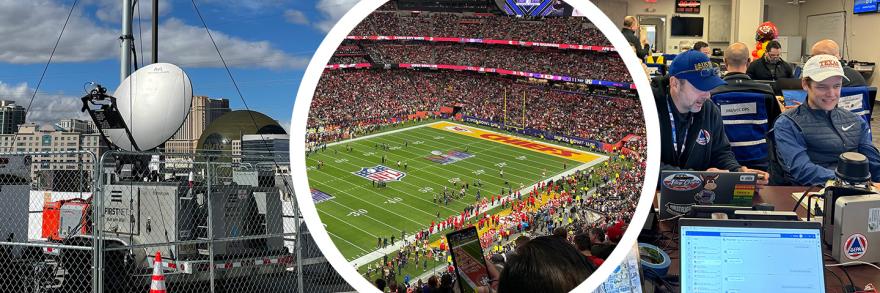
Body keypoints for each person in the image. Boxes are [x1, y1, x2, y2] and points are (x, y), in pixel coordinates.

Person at [654, 50, 769, 183]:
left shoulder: (709, 110)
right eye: (700, 88)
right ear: (675, 83)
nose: (707, 95)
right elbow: (644, 166)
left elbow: (721, 153)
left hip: (697, 197)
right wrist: (698, 178)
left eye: (709, 88)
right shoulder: (646, 110)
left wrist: (737, 173)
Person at [771, 54, 880, 186]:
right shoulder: (787, 124)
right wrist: (852, 182)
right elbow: (802, 171)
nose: (831, 93)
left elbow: (874, 164)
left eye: (837, 86)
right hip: (813, 195)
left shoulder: (856, 121)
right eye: (822, 87)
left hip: (859, 194)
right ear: (805, 84)